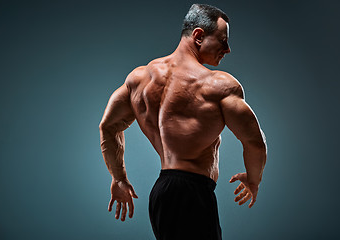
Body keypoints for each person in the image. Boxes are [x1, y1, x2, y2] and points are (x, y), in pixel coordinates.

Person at [99, 3, 267, 240]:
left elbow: (108, 126)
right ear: (198, 36)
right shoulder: (218, 85)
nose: (227, 49)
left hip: (161, 192)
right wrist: (253, 180)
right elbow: (255, 142)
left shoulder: (138, 79)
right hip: (194, 193)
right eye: (222, 40)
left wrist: (119, 178)